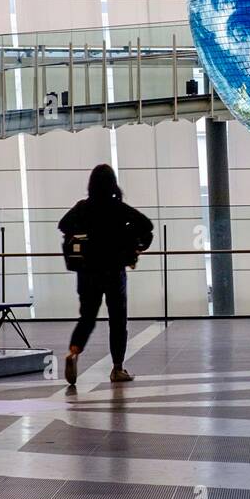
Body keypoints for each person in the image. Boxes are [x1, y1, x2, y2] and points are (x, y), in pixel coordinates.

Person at [59, 164, 153, 386]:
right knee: (117, 321)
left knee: (87, 318)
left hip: (87, 271)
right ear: (112, 183)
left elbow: (64, 225)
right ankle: (117, 368)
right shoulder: (118, 208)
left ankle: (73, 352)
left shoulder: (83, 207)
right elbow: (147, 226)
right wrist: (133, 245)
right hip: (113, 270)